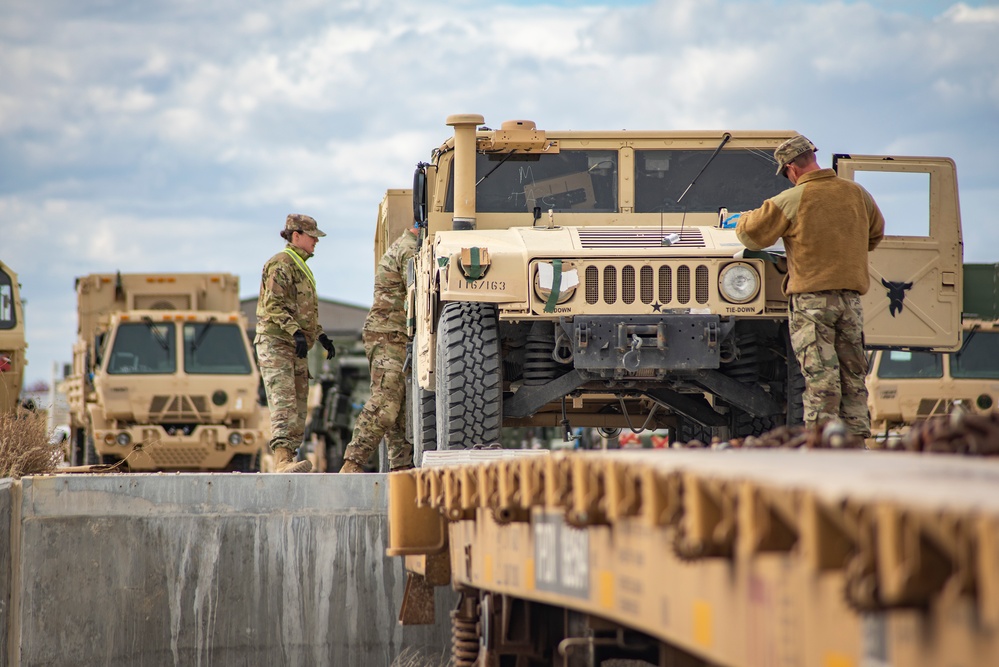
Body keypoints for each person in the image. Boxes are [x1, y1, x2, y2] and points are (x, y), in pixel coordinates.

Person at [735, 135, 885, 437]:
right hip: (850, 301)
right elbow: (875, 234)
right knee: (853, 376)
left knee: (821, 377)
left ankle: (823, 445)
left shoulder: (793, 199)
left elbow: (750, 236)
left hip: (812, 303)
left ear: (791, 169)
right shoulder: (858, 194)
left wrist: (743, 218)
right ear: (812, 158)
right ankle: (855, 441)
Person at [256, 214, 337, 473]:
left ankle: (289, 457)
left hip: (293, 344)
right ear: (296, 236)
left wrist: (319, 335)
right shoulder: (281, 264)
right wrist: (295, 333)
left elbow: (301, 310)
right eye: (312, 236)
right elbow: (273, 305)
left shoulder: (299, 266)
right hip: (277, 343)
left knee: (300, 404)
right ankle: (281, 460)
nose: (316, 241)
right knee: (284, 402)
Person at [340, 224, 419, 473]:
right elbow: (418, 295)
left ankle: (401, 469)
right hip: (388, 336)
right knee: (386, 404)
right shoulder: (408, 251)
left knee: (399, 410)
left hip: (394, 336)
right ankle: (353, 462)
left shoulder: (406, 247)